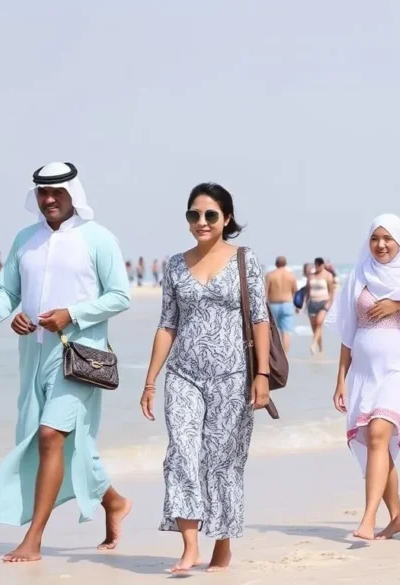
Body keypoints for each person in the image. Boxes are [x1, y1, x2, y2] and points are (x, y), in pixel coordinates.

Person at [0, 162, 132, 562]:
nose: (49, 199)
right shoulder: (25, 239)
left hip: (80, 355)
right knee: (52, 440)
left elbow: (119, 296)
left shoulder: (98, 238)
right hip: (33, 355)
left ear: (74, 193)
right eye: (42, 192)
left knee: (51, 436)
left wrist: (71, 313)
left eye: (57, 191)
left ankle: (33, 539)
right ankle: (113, 501)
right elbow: (7, 291)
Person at [140, 182, 271, 573]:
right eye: (194, 214)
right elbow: (167, 325)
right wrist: (150, 380)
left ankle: (223, 544)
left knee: (223, 460)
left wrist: (261, 374)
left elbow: (260, 318)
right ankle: (189, 545)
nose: (201, 221)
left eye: (210, 214)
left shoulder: (246, 260)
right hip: (183, 374)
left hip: (233, 376)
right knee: (181, 451)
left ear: (226, 218)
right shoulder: (176, 265)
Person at [327, 214, 400, 540]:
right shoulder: (358, 276)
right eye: (375, 238)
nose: (381, 245)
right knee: (374, 442)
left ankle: (367, 518)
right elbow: (347, 333)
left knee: (380, 433)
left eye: (387, 239)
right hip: (365, 373)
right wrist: (341, 378)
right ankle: (396, 517)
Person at [266, 256, 299, 351]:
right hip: (287, 304)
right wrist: (297, 306)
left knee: (271, 330)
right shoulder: (291, 275)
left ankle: (273, 353)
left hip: (273, 305)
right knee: (286, 332)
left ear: (276, 264)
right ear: (285, 264)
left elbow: (265, 293)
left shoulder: (270, 275)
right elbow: (296, 292)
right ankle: (284, 355)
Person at [304, 257, 336, 354]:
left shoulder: (328, 275)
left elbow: (331, 291)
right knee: (315, 327)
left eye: (319, 265)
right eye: (316, 265)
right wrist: (305, 303)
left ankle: (313, 344)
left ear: (323, 265)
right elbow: (307, 291)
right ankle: (321, 349)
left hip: (323, 302)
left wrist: (329, 303)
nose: (317, 267)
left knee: (319, 323)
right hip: (312, 303)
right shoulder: (311, 276)